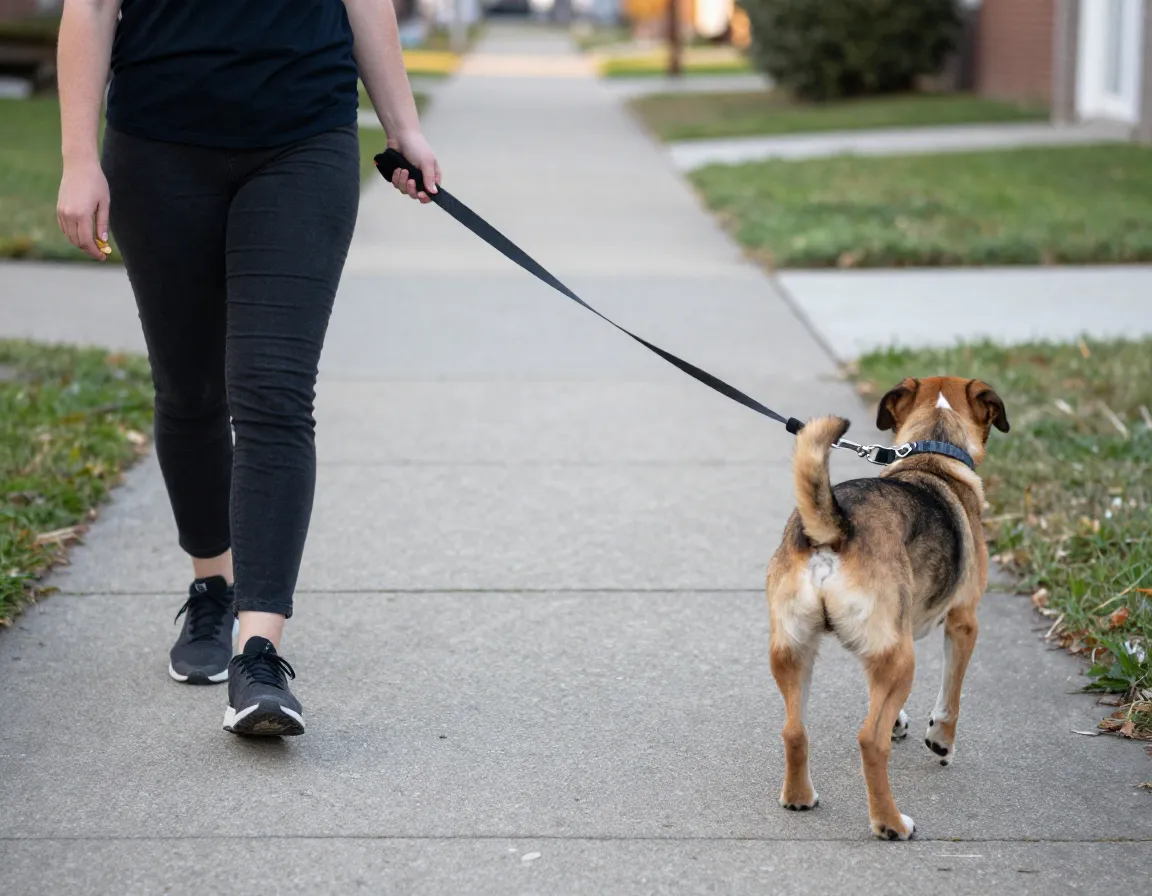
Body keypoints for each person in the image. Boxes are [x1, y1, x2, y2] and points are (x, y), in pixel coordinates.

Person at [55, 0, 438, 737]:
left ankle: (258, 655)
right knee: (190, 388)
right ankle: (213, 587)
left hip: (304, 137)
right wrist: (78, 158)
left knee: (274, 390)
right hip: (157, 143)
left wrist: (404, 128)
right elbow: (93, 6)